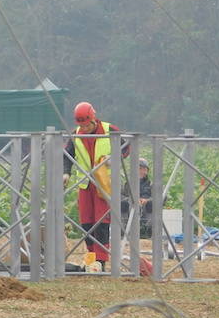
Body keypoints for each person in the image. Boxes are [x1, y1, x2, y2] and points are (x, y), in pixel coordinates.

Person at [62, 101, 129, 271]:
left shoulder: (109, 130)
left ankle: (101, 260)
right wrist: (66, 173)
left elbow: (126, 148)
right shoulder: (75, 135)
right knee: (86, 222)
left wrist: (112, 157)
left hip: (104, 183)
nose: (84, 129)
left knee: (101, 221)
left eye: (86, 125)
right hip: (85, 185)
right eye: (81, 125)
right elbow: (66, 155)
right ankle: (91, 257)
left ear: (93, 119)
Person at [122, 158, 153, 238]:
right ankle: (125, 234)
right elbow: (120, 197)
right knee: (123, 205)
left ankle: (146, 233)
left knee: (151, 206)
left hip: (146, 214)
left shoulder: (151, 185)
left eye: (144, 169)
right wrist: (131, 200)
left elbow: (162, 198)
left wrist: (147, 201)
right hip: (130, 213)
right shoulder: (127, 185)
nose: (142, 172)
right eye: (139, 169)